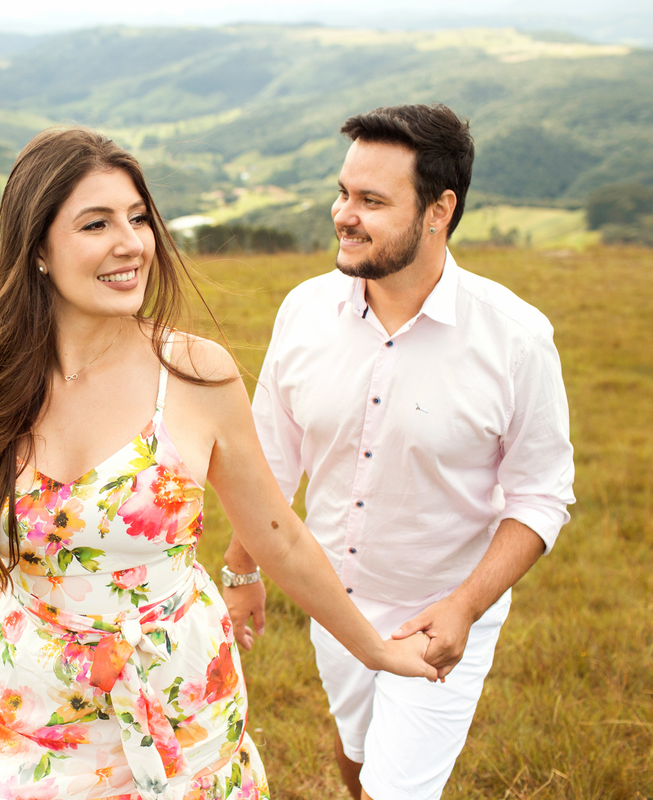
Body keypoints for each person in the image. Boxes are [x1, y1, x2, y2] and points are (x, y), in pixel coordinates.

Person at [0, 127, 437, 800]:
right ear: (37, 249)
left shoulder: (193, 376)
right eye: (96, 223)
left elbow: (278, 533)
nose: (130, 243)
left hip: (175, 698)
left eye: (137, 219)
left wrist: (375, 649)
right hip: (26, 705)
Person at [223, 103, 576, 800]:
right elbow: (268, 460)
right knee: (356, 753)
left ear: (439, 210)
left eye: (372, 201)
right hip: (334, 601)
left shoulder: (516, 338)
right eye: (344, 193)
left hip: (440, 615)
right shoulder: (302, 311)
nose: (343, 215)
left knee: (396, 789)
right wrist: (241, 570)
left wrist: (467, 606)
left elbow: (542, 494)